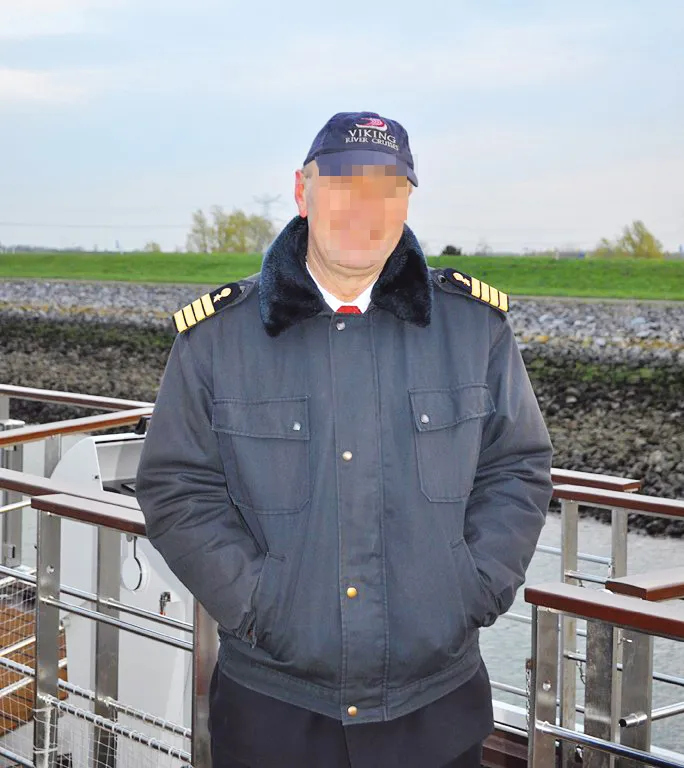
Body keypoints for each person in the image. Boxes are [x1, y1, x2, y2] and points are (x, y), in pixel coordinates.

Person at [135, 110, 554, 768]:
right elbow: (176, 486)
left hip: (435, 710)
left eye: (388, 188)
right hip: (273, 711)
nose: (366, 208)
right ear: (302, 193)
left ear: (407, 201)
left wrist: (473, 588)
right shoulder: (217, 338)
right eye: (343, 185)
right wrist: (257, 606)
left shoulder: (475, 331)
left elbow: (517, 468)